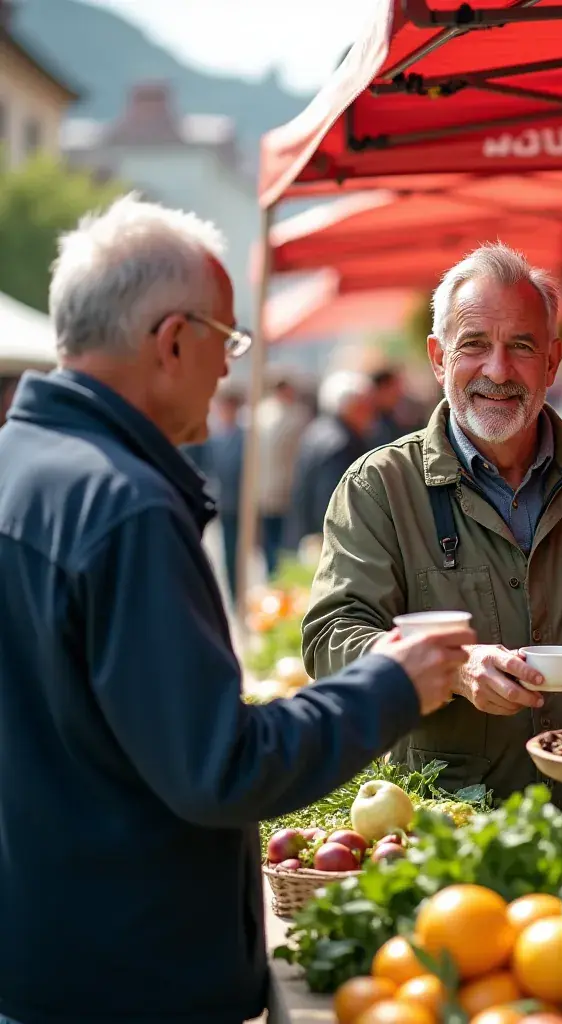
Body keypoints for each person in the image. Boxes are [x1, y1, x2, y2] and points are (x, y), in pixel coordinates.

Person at [0, 195, 475, 1024]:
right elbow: (222, 767)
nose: (228, 369)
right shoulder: (125, 506)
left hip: (44, 951)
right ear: (172, 339)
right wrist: (390, 685)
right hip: (133, 978)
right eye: (226, 340)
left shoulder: (18, 464)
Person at [302, 241, 562, 799]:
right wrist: (452, 668)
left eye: (521, 345)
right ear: (438, 357)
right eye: (473, 345)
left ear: (553, 361)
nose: (498, 369)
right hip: (449, 825)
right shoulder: (380, 487)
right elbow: (330, 640)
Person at [287, 370, 376, 548]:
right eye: (366, 405)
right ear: (352, 407)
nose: (372, 413)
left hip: (310, 534)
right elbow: (333, 504)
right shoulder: (341, 444)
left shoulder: (319, 430)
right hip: (330, 541)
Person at [185, 381, 245, 600]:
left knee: (244, 552)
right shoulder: (213, 438)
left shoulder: (244, 436)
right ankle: (233, 594)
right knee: (227, 553)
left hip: (242, 502)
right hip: (223, 502)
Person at [254, 370, 308, 577]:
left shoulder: (261, 414)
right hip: (283, 488)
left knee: (275, 541)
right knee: (280, 541)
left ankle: (275, 576)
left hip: (273, 488)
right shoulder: (292, 416)